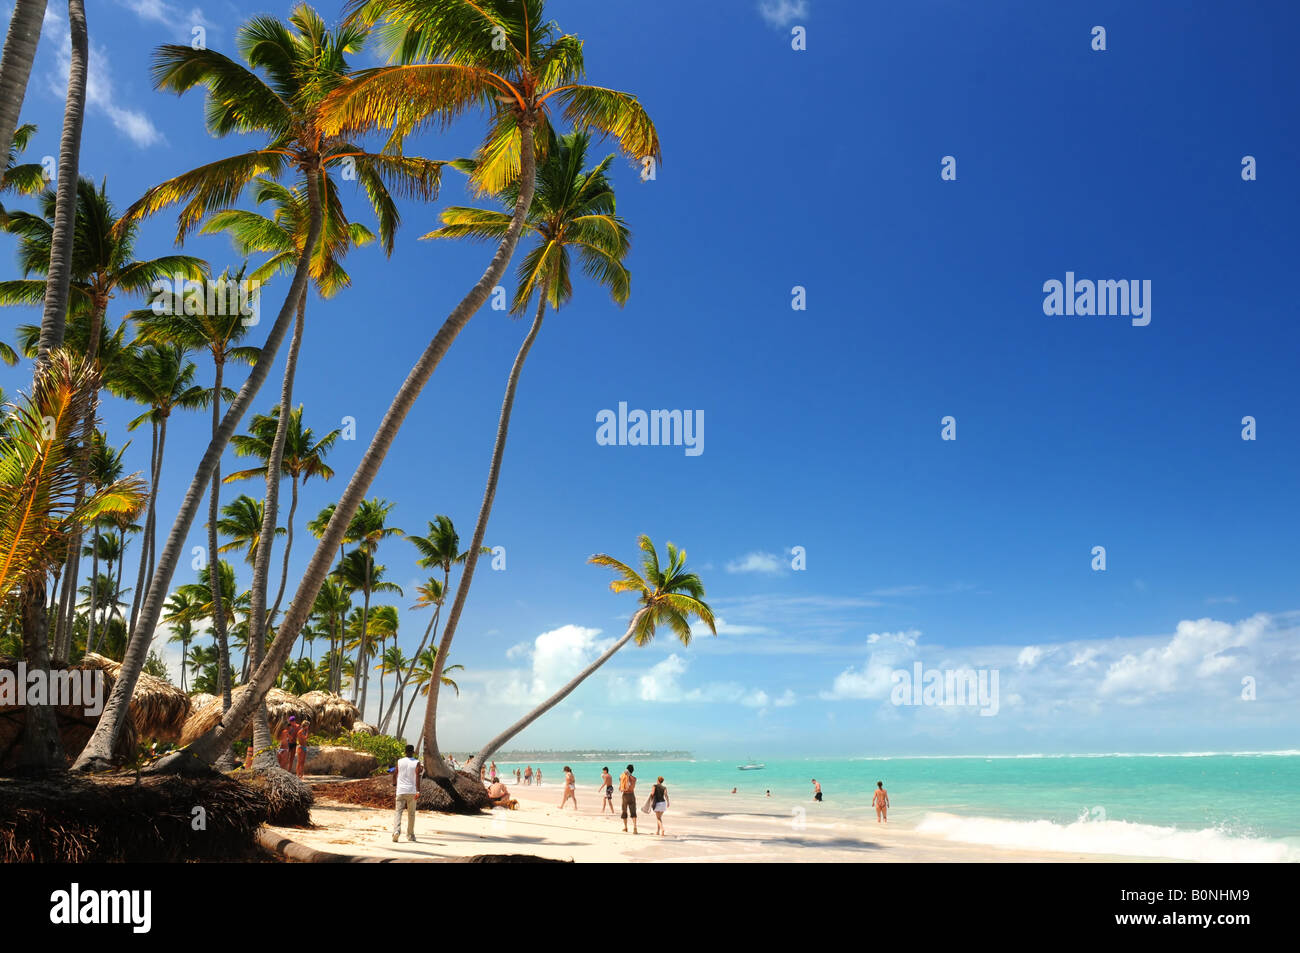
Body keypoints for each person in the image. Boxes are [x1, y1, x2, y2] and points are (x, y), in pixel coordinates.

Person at [392, 745, 423, 843]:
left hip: (401, 790)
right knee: (411, 814)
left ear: (405, 752)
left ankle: (396, 831)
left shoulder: (399, 761)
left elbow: (395, 773)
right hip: (412, 791)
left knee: (398, 812)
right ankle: (410, 835)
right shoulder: (416, 763)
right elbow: (417, 777)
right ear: (413, 752)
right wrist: (418, 790)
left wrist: (394, 784)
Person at [618, 764, 638, 834]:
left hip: (625, 795)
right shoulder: (634, 779)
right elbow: (631, 781)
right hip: (632, 795)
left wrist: (625, 775)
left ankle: (626, 827)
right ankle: (635, 827)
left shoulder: (623, 777)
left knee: (624, 811)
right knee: (633, 812)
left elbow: (620, 780)